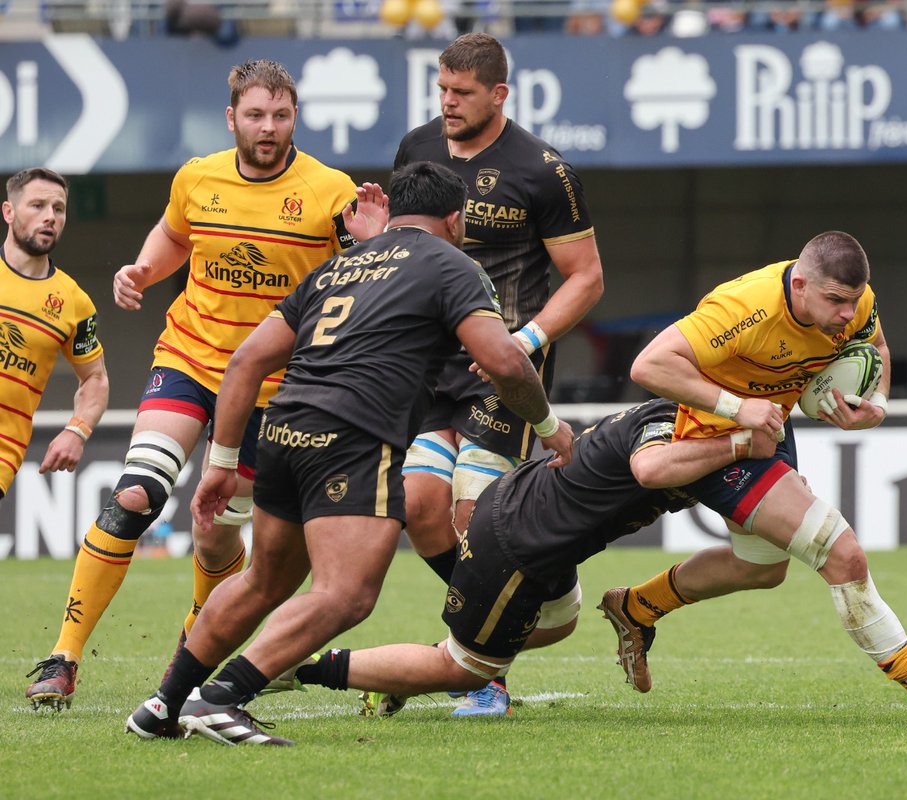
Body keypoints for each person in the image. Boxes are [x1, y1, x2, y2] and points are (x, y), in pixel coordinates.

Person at [125, 160, 574, 745]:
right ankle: (220, 697)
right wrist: (549, 427)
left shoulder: (336, 267)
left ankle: (163, 704)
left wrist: (221, 463)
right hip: (352, 438)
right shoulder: (452, 263)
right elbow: (505, 360)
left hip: (281, 430)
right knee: (347, 594)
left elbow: (245, 363)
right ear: (455, 219)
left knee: (265, 578)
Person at [25, 59, 388, 711]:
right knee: (135, 495)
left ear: (294, 117)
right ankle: (63, 656)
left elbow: (367, 271)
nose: (268, 127)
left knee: (216, 531)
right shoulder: (199, 177)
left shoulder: (330, 192)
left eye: (280, 115)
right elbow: (173, 236)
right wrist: (141, 268)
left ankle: (192, 646)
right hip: (189, 361)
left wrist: (373, 243)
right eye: (255, 115)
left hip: (275, 393)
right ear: (232, 119)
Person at [142, 399, 775, 740]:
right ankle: (280, 672)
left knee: (556, 625)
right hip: (518, 548)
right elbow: (656, 474)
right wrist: (745, 444)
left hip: (516, 515)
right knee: (464, 664)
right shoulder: (675, 448)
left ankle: (251, 678)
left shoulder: (659, 417)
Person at [604, 231, 907, 721]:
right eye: (834, 300)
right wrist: (736, 406)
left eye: (852, 301)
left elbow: (874, 347)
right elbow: (649, 365)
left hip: (769, 427)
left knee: (761, 568)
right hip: (716, 440)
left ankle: (638, 607)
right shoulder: (744, 306)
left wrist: (876, 406)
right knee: (841, 551)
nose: (844, 313)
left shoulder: (854, 302)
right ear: (799, 285)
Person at [391, 32, 604, 716]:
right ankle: (480, 629)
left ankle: (486, 670)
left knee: (472, 512)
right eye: (442, 90)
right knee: (421, 508)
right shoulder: (415, 151)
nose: (447, 104)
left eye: (463, 93)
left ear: (499, 94)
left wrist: (527, 338)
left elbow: (587, 278)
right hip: (433, 365)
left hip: (504, 371)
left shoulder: (543, 169)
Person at [1, 168, 107, 517]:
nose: (50, 216)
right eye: (37, 205)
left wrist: (77, 431)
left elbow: (95, 378)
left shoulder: (75, 302)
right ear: (9, 212)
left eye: (58, 209)